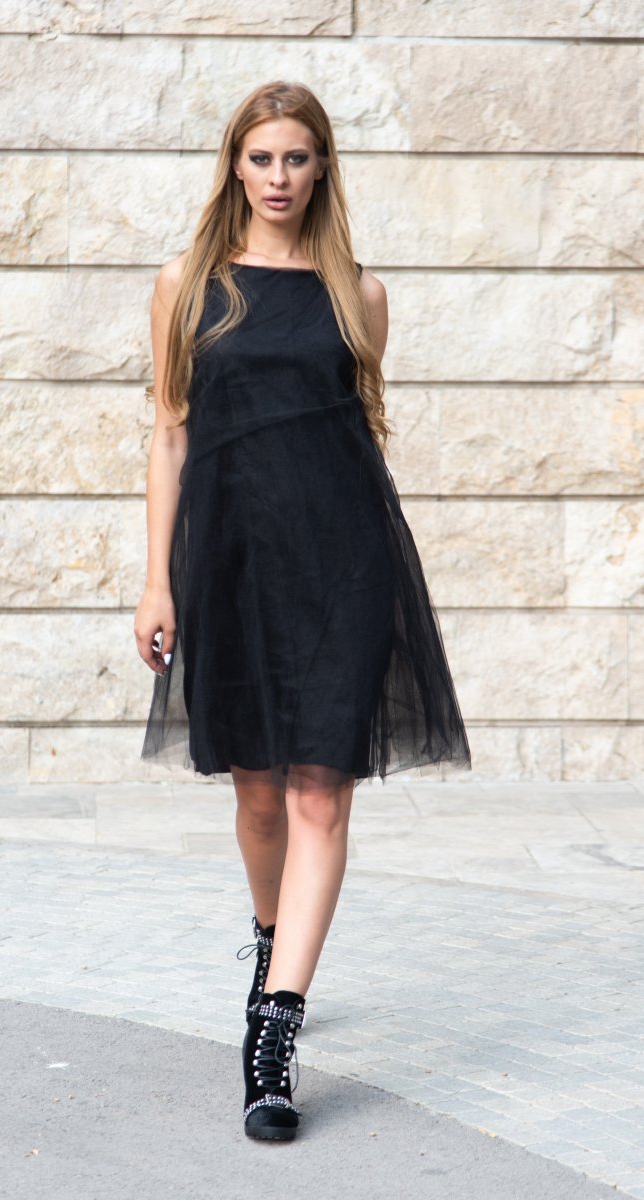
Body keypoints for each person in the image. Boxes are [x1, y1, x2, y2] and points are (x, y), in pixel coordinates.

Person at [134, 79, 471, 1142]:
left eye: (296, 157)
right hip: (230, 564)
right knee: (258, 800)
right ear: (233, 166)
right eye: (261, 158)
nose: (277, 177)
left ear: (322, 166)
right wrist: (157, 579)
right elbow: (171, 433)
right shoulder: (187, 285)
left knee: (321, 794)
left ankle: (274, 1032)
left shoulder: (357, 293)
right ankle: (269, 933)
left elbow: (354, 436)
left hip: (342, 564)